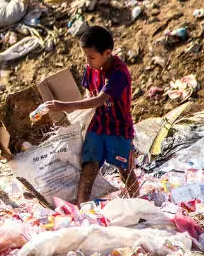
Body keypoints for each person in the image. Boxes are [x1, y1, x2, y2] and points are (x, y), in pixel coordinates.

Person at [34, 25, 140, 203]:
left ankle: (138, 204)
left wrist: (63, 106)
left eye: (92, 57)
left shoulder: (119, 73)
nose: (88, 61)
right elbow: (89, 93)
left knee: (125, 171)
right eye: (85, 56)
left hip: (118, 128)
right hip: (97, 125)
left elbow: (99, 100)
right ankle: (82, 208)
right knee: (89, 167)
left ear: (107, 53)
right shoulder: (91, 69)